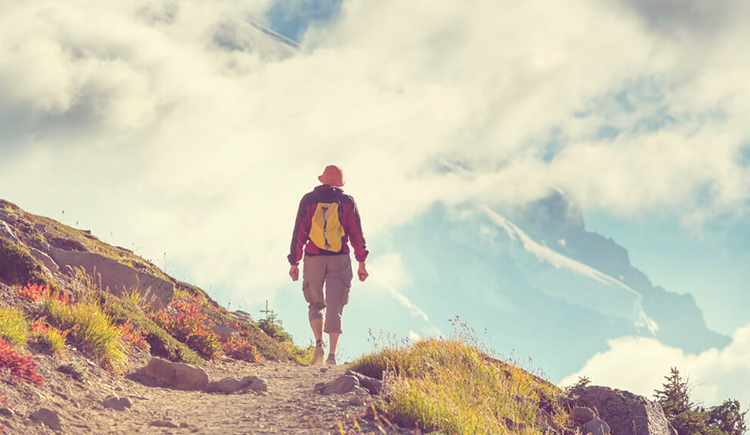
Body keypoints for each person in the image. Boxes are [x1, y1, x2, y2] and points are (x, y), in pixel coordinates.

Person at [287, 165, 369, 366]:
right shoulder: (347, 202)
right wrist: (361, 262)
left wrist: (294, 262)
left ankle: (318, 344)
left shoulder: (308, 199)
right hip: (339, 258)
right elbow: (356, 233)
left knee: (316, 303)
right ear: (340, 183)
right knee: (336, 305)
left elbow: (299, 230)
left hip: (314, 257)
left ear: (322, 179)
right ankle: (332, 356)